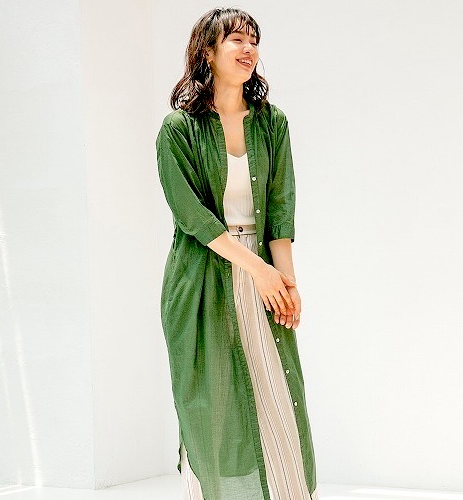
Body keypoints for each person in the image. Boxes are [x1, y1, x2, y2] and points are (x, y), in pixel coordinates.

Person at [156, 7, 319, 500]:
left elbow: (281, 210)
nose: (249, 49)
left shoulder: (272, 123)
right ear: (208, 51)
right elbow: (194, 218)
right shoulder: (178, 129)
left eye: (253, 40)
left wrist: (287, 283)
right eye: (236, 40)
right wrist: (261, 273)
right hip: (203, 276)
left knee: (278, 390)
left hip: (263, 269)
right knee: (212, 400)